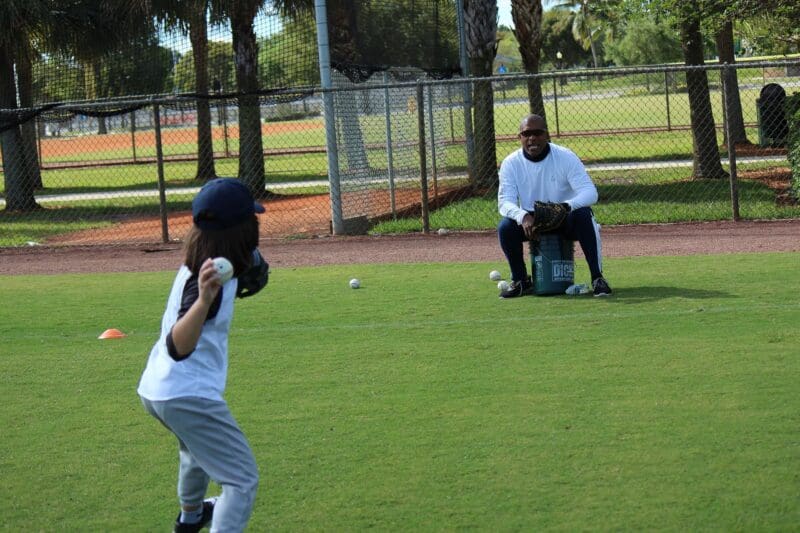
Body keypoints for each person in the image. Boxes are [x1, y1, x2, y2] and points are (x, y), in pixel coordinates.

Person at [138, 178, 268, 532]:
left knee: (193, 452)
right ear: (240, 230)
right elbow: (178, 346)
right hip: (186, 394)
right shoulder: (206, 282)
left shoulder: (202, 263)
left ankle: (191, 516)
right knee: (241, 482)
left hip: (157, 389)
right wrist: (205, 300)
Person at [497, 114, 612, 298]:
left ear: (546, 135)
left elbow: (590, 193)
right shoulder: (511, 163)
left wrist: (566, 206)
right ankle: (521, 281)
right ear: (519, 137)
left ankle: (597, 278)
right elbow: (504, 202)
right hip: (532, 219)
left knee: (584, 215)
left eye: (537, 133)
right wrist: (523, 216)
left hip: (564, 216)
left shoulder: (565, 157)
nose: (532, 138)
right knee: (506, 227)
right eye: (527, 134)